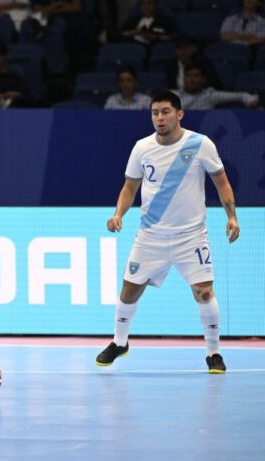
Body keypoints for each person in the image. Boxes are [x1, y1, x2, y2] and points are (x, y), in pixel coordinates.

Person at [95, 90, 240, 374]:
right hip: (151, 235)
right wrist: (118, 214)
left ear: (179, 114)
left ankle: (214, 353)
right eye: (155, 113)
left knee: (204, 292)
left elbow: (221, 182)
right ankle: (119, 341)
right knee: (129, 290)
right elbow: (129, 187)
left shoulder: (201, 144)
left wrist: (232, 216)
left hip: (191, 236)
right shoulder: (142, 147)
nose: (159, 118)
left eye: (165, 112)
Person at [172, 63, 260, 109]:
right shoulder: (172, 96)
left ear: (204, 80)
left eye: (196, 76)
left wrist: (251, 100)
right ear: (184, 79)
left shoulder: (210, 95)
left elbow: (241, 96)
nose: (192, 80)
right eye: (188, 76)